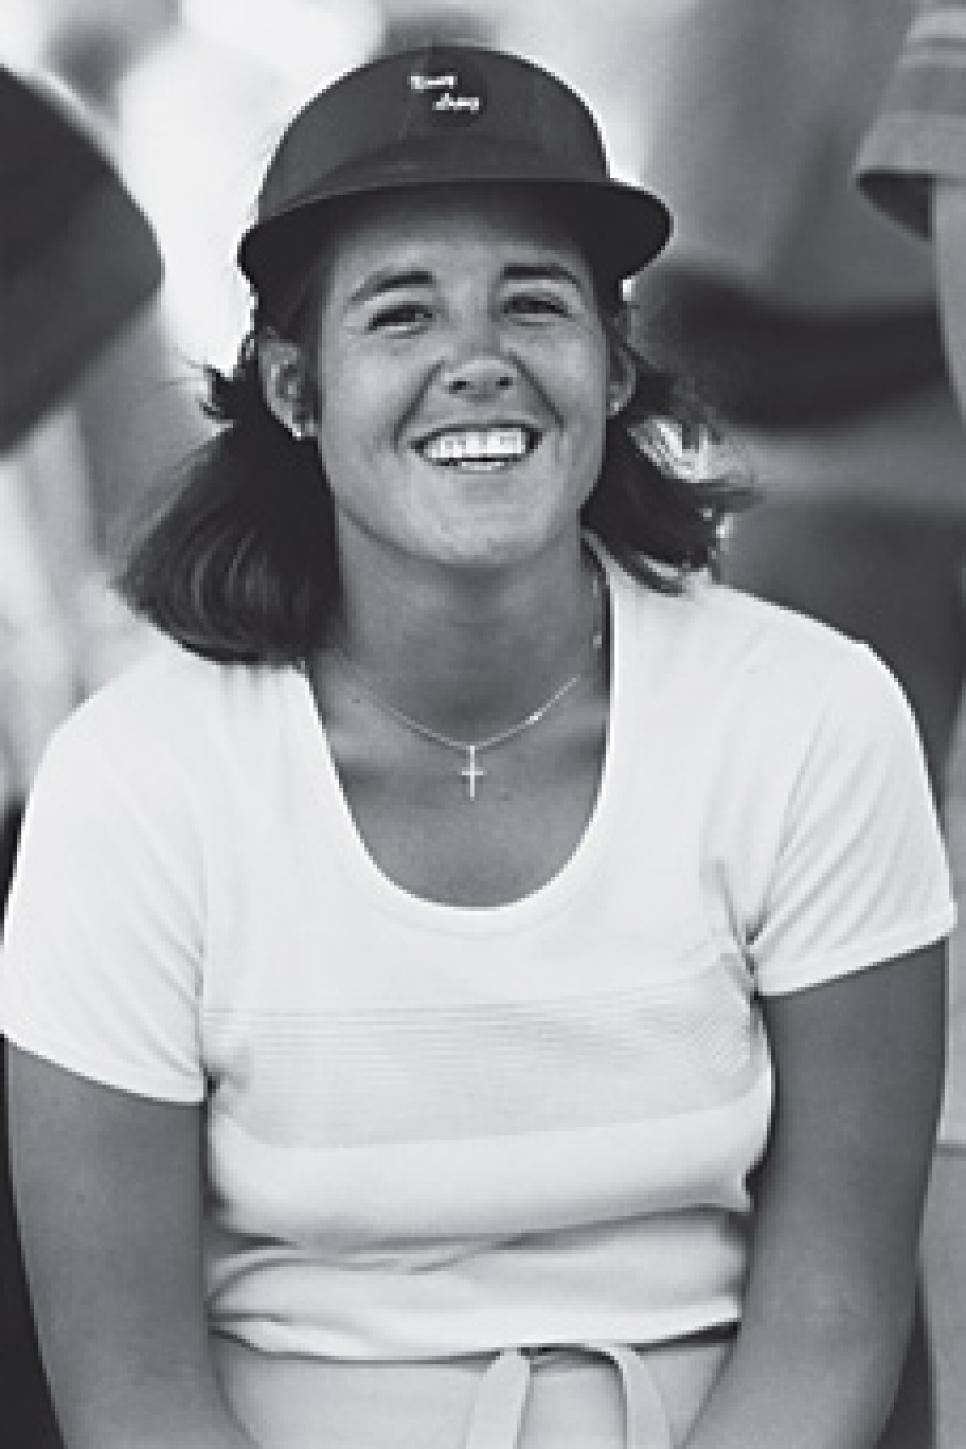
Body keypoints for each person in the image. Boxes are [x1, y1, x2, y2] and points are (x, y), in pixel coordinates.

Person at [0, 42, 955, 1449]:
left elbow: (834, 1314)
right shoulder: (133, 784)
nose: (479, 360)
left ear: (614, 366)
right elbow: (129, 1390)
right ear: (292, 385)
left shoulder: (810, 723)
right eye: (400, 312)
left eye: (534, 300)